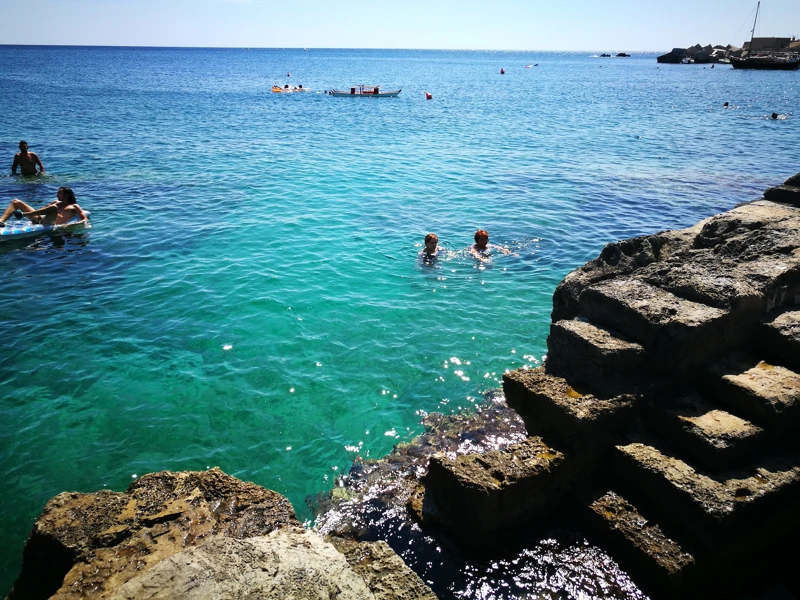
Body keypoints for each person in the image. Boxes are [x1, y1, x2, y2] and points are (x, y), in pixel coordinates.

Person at [0, 187, 88, 228]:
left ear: (66, 195)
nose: (56, 195)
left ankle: (24, 214)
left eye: (59, 193)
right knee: (16, 202)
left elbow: (84, 219)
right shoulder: (56, 202)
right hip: (39, 218)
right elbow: (43, 210)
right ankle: (1, 221)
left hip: (50, 223)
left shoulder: (74, 206)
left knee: (53, 208)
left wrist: (69, 225)